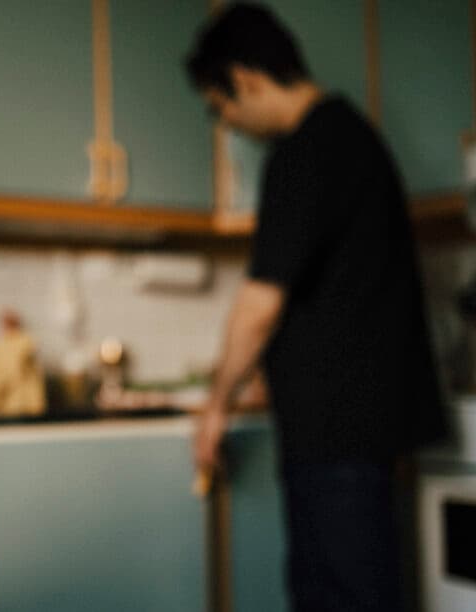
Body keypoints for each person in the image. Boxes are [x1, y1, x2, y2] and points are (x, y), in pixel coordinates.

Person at [185, 4, 446, 612]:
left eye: (221, 106)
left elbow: (259, 304)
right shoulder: (351, 136)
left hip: (337, 434)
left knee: (339, 598)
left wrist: (215, 406)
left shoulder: (306, 152)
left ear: (244, 78)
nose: (228, 123)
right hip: (356, 427)